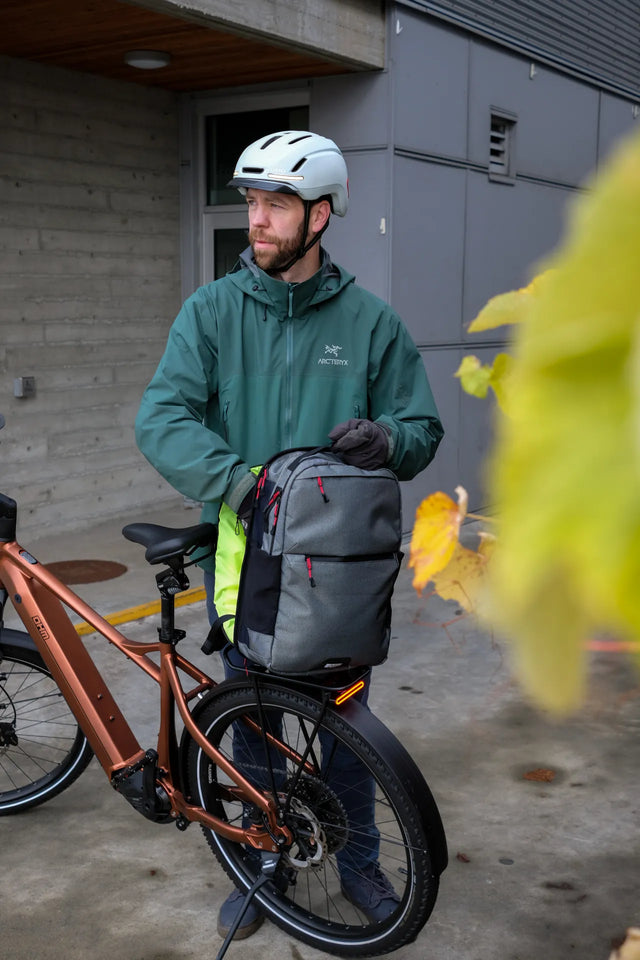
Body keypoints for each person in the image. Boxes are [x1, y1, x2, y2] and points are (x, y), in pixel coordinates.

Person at [135, 129, 444, 940]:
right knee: (257, 734)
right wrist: (238, 482)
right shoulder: (212, 312)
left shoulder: (371, 324)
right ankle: (265, 866)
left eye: (275, 205)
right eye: (252, 203)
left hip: (340, 582)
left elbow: (420, 426)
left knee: (347, 738)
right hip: (248, 576)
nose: (256, 221)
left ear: (321, 217)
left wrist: (391, 441)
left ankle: (362, 868)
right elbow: (160, 417)